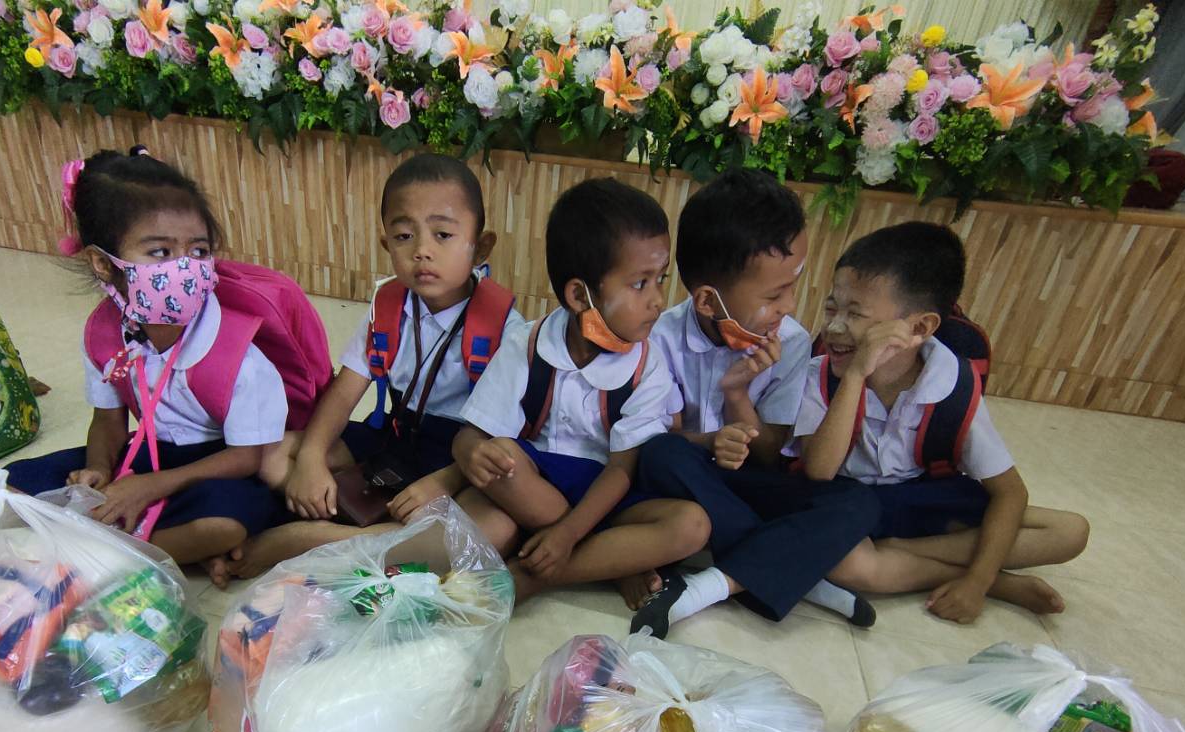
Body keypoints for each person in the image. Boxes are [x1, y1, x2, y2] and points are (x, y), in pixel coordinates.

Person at [207, 152, 521, 585]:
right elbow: (344, 391)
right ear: (387, 245)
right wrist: (312, 459)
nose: (422, 251)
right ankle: (375, 538)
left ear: (480, 246)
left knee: (497, 528)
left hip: (458, 459)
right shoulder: (386, 306)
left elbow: (504, 437)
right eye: (404, 236)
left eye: (443, 235)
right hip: (394, 440)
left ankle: (313, 539)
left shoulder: (505, 327)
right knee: (273, 454)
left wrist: (444, 482)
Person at [625, 169, 881, 637]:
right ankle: (798, 575)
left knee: (858, 501)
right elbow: (655, 441)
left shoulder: (792, 341)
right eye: (774, 294)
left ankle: (714, 583)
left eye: (794, 286)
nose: (789, 305)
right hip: (686, 481)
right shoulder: (659, 339)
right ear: (708, 301)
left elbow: (768, 453)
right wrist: (711, 441)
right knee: (662, 453)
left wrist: (737, 394)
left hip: (747, 483)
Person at [791, 221, 1089, 623]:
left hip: (923, 501)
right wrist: (856, 375)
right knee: (846, 564)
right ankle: (997, 583)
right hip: (850, 504)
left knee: (1070, 532)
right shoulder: (822, 374)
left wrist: (977, 582)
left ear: (920, 327)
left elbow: (1010, 493)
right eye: (832, 308)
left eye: (856, 313)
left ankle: (912, 554)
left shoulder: (952, 383)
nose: (835, 327)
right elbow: (819, 470)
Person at [7, 147, 287, 569]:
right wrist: (98, 469)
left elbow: (246, 457)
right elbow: (108, 421)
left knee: (223, 523)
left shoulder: (237, 353)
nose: (185, 268)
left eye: (198, 251)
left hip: (215, 466)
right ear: (103, 263)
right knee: (13, 483)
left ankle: (106, 546)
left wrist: (152, 487)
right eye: (160, 253)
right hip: (146, 451)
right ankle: (141, 537)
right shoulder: (103, 334)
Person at [452, 177, 710, 601]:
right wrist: (472, 454)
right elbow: (472, 434)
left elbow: (622, 469)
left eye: (661, 279)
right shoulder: (527, 343)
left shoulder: (648, 364)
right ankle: (610, 560)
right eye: (640, 283)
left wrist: (568, 534)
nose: (659, 300)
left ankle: (530, 575)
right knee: (504, 458)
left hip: (609, 493)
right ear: (579, 295)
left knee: (692, 525)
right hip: (536, 486)